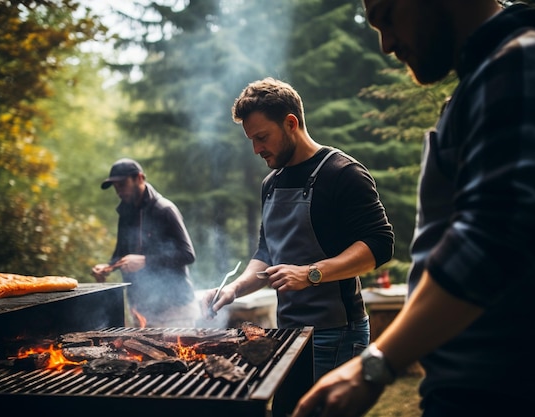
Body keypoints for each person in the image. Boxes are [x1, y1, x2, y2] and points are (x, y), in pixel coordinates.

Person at [292, 1, 535, 416]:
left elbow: (492, 239)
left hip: (510, 391)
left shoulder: (520, 62)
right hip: (473, 387)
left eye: (388, 16)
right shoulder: (482, 82)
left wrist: (373, 366)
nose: (385, 44)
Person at [202, 77, 394, 382]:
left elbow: (379, 245)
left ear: (291, 123)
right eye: (251, 139)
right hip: (288, 334)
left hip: (337, 334)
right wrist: (233, 289)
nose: (256, 149)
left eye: (262, 137)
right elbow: (266, 254)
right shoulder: (272, 183)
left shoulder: (343, 173)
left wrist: (310, 274)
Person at [92, 158, 199, 328]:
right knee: (144, 355)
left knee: (176, 355)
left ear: (139, 178)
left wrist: (145, 261)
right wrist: (107, 267)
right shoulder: (125, 213)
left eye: (122, 184)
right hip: (141, 309)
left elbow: (187, 255)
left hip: (174, 310)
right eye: (115, 186)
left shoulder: (164, 209)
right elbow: (121, 253)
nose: (118, 191)